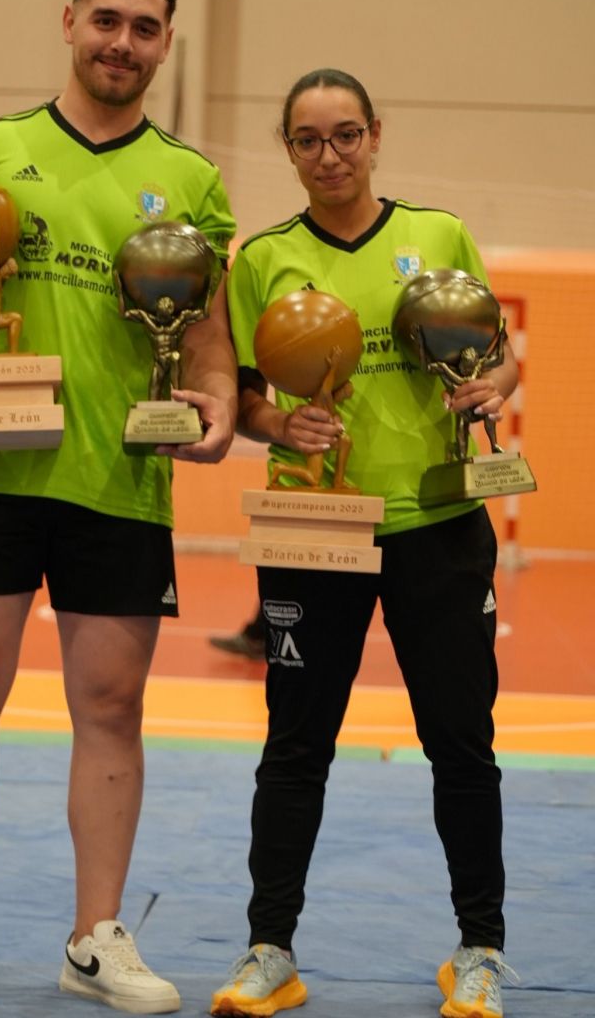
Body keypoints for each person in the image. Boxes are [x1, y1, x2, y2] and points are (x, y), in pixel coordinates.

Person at [0, 0, 237, 1012]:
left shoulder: (191, 181)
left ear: (168, 40)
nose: (123, 41)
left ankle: (95, 941)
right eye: (106, 18)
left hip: (119, 475)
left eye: (145, 26)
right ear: (67, 20)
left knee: (111, 707)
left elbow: (205, 338)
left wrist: (209, 406)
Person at [210, 68, 518, 1018]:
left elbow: (496, 348)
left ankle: (479, 949)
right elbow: (245, 394)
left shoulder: (439, 234)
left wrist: (494, 385)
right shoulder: (261, 259)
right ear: (289, 149)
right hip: (315, 532)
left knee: (461, 743)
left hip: (438, 525)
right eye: (308, 140)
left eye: (346, 135)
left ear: (376, 135)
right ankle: (270, 951)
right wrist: (274, 426)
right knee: (296, 745)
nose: (330, 155)